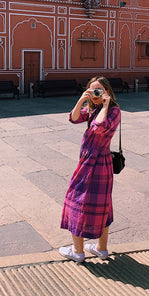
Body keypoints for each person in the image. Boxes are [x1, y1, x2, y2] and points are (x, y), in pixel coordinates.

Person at [59, 76, 121, 262]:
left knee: (76, 202)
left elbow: (100, 127)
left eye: (99, 91)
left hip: (94, 163)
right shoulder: (93, 109)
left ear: (107, 92)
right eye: (92, 90)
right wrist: (81, 100)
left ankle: (77, 252)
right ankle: (101, 249)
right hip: (96, 163)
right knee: (102, 205)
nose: (95, 94)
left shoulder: (113, 111)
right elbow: (73, 118)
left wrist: (104, 105)